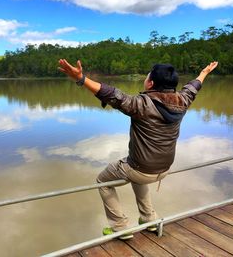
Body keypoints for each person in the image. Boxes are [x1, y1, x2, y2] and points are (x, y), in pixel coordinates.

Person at [58, 59, 218, 239]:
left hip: (140, 168)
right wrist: (204, 73)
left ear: (150, 83)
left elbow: (113, 94)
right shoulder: (183, 100)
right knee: (138, 174)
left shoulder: (141, 104)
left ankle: (120, 227)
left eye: (148, 75)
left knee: (103, 181)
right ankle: (149, 219)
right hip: (164, 169)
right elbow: (193, 86)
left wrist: (81, 78)